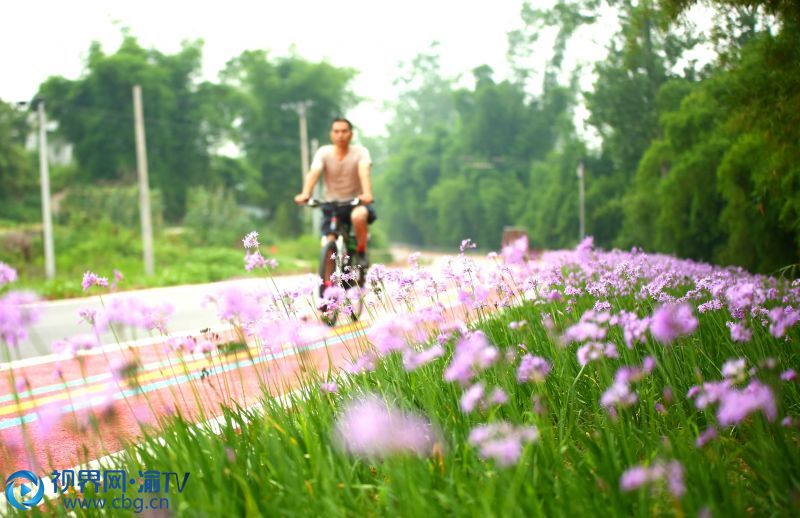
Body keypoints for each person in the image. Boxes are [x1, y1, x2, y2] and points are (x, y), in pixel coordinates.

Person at [294, 117, 376, 268]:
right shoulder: (323, 152)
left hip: (355, 202)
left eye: (344, 131)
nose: (340, 135)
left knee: (358, 216)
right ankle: (328, 284)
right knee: (328, 241)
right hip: (331, 205)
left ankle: (361, 251)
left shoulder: (360, 152)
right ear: (331, 134)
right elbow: (314, 172)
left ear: (351, 134)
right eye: (336, 131)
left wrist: (367, 193)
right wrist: (305, 193)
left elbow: (364, 171)